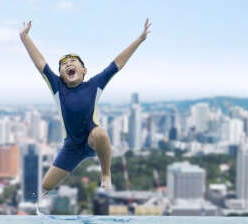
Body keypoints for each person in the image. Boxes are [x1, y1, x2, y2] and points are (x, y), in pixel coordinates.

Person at [20, 18, 151, 192]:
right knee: (45, 186)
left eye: (73, 62)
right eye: (63, 65)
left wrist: (139, 40)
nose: (68, 65)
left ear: (84, 70)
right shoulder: (57, 87)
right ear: (60, 75)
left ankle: (106, 174)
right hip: (71, 147)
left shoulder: (94, 85)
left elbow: (117, 63)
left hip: (92, 140)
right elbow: (40, 62)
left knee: (101, 134)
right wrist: (24, 37)